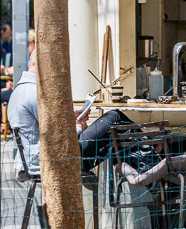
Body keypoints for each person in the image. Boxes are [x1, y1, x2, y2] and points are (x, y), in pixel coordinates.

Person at [8, 30, 131, 175]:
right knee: (114, 117)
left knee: (113, 136)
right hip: (53, 160)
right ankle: (153, 155)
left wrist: (72, 118)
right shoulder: (34, 94)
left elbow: (49, 125)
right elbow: (56, 133)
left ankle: (142, 169)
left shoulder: (22, 89)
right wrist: (78, 127)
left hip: (39, 158)